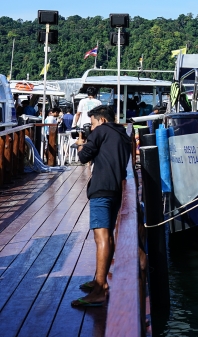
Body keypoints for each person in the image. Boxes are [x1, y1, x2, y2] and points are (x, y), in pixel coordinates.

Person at [71, 105, 131, 308]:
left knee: (101, 236)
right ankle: (99, 278)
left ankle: (99, 288)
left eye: (93, 123)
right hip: (116, 189)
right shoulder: (123, 134)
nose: (92, 127)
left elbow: (83, 158)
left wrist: (81, 144)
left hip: (101, 189)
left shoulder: (101, 131)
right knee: (109, 235)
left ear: (102, 120)